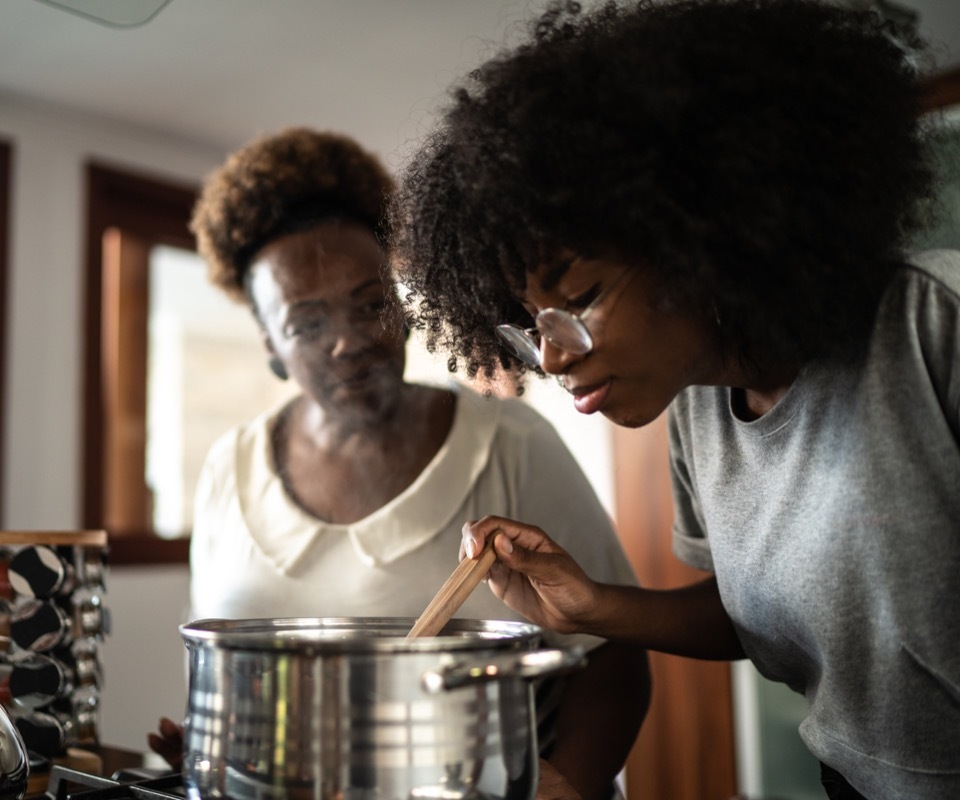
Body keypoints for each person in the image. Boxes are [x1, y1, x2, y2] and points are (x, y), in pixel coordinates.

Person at [389, 0, 959, 798]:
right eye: (527, 326)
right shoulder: (699, 410)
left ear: (701, 236)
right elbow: (758, 617)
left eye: (578, 298)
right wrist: (589, 605)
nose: (551, 354)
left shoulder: (935, 323)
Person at [148, 127, 650, 800]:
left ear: (405, 309)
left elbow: (613, 663)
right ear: (271, 346)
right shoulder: (226, 472)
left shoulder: (509, 443)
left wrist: (568, 786)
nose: (349, 342)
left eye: (370, 304)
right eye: (307, 324)